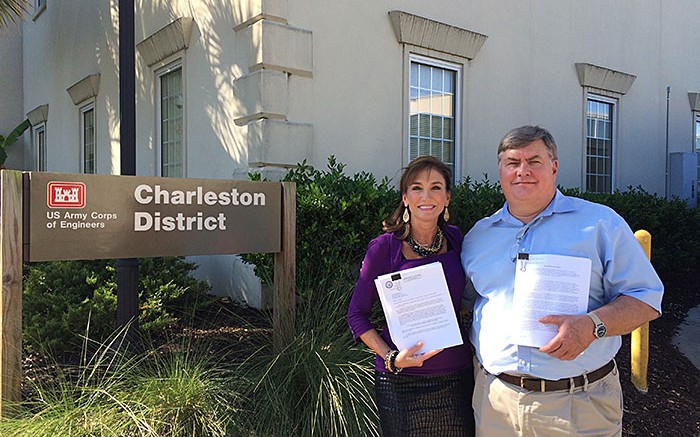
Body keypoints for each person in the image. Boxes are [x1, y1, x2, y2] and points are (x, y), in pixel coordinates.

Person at [461, 125, 664, 436]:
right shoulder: (479, 236)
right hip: (495, 405)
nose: (522, 171)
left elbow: (645, 298)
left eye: (534, 161)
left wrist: (593, 325)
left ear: (554, 167)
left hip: (579, 407)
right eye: (512, 163)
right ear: (500, 170)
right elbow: (471, 303)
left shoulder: (600, 223)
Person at [347, 156, 475, 437]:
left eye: (436, 188)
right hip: (400, 380)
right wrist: (391, 357)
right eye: (417, 188)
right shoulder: (383, 249)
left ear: (447, 198)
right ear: (405, 198)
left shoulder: (457, 240)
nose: (426, 196)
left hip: (457, 374)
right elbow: (356, 315)